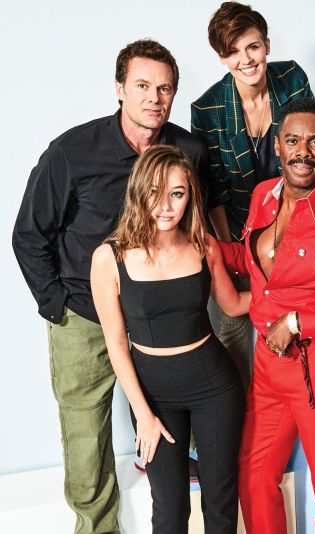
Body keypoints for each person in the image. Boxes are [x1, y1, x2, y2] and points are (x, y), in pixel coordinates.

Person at [12, 39, 206, 533]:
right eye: (142, 86)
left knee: (177, 412)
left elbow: (200, 230)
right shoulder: (72, 152)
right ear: (119, 88)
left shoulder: (188, 152)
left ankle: (175, 487)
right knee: (85, 436)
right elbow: (29, 235)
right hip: (86, 316)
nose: (154, 98)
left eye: (165, 88)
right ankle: (97, 527)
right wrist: (58, 306)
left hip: (159, 316)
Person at [215, 98, 315, 534]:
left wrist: (297, 323)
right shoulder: (262, 196)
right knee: (253, 476)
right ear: (277, 144)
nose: (303, 152)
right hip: (269, 364)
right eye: (293, 140)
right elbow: (259, 266)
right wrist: (208, 247)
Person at [90, 145, 247, 532]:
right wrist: (144, 415)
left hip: (215, 386)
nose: (165, 206)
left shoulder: (203, 245)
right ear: (138, 192)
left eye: (177, 193)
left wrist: (293, 292)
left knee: (221, 501)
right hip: (153, 396)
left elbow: (232, 305)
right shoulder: (109, 258)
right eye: (155, 193)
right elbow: (116, 344)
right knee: (170, 508)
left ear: (189, 195)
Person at [192, 1, 314, 387]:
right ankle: (240, 416)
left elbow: (312, 151)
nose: (246, 60)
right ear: (221, 57)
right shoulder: (208, 108)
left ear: (267, 45)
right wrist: (233, 251)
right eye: (233, 51)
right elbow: (213, 190)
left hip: (297, 231)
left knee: (300, 328)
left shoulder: (292, 78)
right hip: (238, 233)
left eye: (252, 47)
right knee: (234, 335)